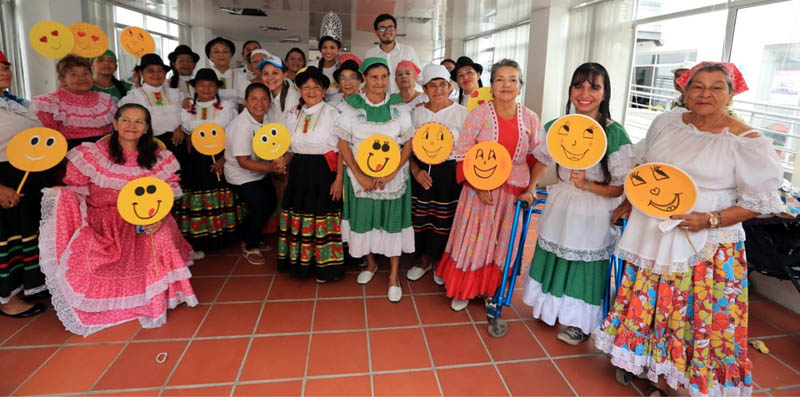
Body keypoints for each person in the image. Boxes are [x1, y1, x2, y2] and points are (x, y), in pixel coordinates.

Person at [594, 62, 784, 396]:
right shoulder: (668, 123)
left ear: (732, 92)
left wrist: (710, 220)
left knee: (691, 315)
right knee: (653, 305)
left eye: (716, 87)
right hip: (654, 233)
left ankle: (684, 380)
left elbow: (758, 202)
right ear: (685, 90)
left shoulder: (747, 142)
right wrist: (628, 201)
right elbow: (644, 165)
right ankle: (649, 367)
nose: (705, 94)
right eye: (697, 86)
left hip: (704, 243)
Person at [38, 104, 196, 336]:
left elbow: (167, 195)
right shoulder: (91, 155)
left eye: (139, 122)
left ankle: (161, 294)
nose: (131, 126)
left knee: (159, 234)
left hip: (146, 219)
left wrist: (159, 218)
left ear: (146, 129)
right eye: (126, 120)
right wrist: (61, 194)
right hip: (104, 221)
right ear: (115, 124)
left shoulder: (159, 157)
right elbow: (77, 191)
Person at [522, 63, 632, 345]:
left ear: (605, 93)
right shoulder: (558, 126)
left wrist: (588, 185)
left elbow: (620, 187)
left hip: (594, 211)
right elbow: (544, 160)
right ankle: (550, 308)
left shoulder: (615, 134)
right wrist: (532, 187)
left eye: (594, 87)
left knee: (585, 263)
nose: (585, 93)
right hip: (561, 203)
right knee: (554, 254)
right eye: (578, 86)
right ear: (570, 90)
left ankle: (580, 323)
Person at [436, 59, 543, 311]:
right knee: (475, 241)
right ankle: (465, 286)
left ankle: (489, 288)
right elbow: (462, 151)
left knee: (502, 244)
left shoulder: (530, 118)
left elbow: (540, 156)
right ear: (491, 85)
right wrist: (477, 184)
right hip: (479, 191)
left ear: (520, 85)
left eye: (512, 80)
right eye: (500, 79)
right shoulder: (480, 114)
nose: (506, 85)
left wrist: (531, 188)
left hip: (513, 194)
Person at [335, 57, 415, 302]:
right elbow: (343, 144)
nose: (380, 82)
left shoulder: (399, 105)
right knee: (365, 220)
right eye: (373, 77)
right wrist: (359, 174)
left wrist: (392, 172)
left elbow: (408, 143)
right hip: (361, 177)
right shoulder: (351, 105)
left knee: (391, 221)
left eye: (384, 76)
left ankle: (393, 276)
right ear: (364, 79)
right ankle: (370, 264)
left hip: (393, 177)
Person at [278, 66, 345, 282]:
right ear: (300, 90)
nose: (311, 90)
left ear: (324, 90)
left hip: (323, 172)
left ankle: (325, 267)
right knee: (300, 214)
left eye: (316, 86)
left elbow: (342, 150)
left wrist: (339, 180)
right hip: (298, 172)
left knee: (321, 217)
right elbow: (289, 149)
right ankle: (299, 263)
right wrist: (281, 163)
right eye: (306, 87)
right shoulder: (292, 114)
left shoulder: (333, 113)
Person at [405, 64, 466, 284]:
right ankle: (423, 260)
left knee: (445, 218)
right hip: (422, 171)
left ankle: (441, 261)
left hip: (450, 173)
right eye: (432, 85)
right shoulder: (417, 113)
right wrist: (415, 170)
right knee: (421, 217)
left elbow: (469, 149)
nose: (438, 90)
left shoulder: (462, 114)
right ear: (424, 88)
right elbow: (407, 147)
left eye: (443, 84)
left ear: (450, 87)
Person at [0, 50, 48, 318]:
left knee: (24, 235)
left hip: (25, 175)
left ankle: (28, 285)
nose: (5, 72)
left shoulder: (14, 102)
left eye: (6, 67)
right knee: (6, 239)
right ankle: (7, 299)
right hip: (4, 180)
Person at [176, 68, 240, 259]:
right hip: (195, 160)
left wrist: (223, 159)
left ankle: (222, 239)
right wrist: (179, 128)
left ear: (217, 87)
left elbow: (233, 135)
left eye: (210, 84)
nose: (206, 88)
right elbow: (185, 132)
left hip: (220, 157)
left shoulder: (227, 108)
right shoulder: (186, 108)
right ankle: (199, 240)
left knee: (220, 196)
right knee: (196, 199)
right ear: (194, 87)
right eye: (201, 84)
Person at [224, 83, 286, 265]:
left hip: (260, 173)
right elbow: (243, 161)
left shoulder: (266, 120)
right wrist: (272, 169)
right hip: (241, 175)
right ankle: (250, 245)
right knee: (261, 206)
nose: (259, 103)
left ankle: (252, 236)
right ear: (246, 101)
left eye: (264, 98)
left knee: (272, 203)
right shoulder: (241, 125)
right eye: (254, 99)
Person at [31, 54, 116, 149]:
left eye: (86, 73)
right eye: (74, 74)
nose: (82, 78)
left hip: (105, 150)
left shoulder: (105, 100)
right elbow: (46, 138)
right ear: (62, 79)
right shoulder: (50, 103)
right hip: (67, 153)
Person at [118, 54, 185, 155]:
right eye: (150, 71)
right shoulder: (133, 98)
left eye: (160, 70)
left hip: (177, 145)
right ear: (141, 73)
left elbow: (187, 115)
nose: (156, 74)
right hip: (147, 147)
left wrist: (181, 128)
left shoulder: (176, 94)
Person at [364, 13, 419, 94]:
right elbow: (366, 80)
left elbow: (419, 77)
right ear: (376, 32)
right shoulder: (370, 54)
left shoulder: (408, 51)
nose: (387, 31)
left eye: (390, 27)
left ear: (396, 30)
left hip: (406, 99)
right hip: (382, 100)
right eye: (382, 28)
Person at [206, 37, 249, 105]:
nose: (221, 55)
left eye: (225, 51)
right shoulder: (205, 77)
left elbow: (246, 101)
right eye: (216, 52)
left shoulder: (241, 76)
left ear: (231, 55)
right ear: (210, 56)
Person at [259, 55, 300, 123]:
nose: (270, 77)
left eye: (275, 73)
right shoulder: (266, 93)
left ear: (285, 75)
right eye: (266, 73)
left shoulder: (293, 99)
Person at [317, 35, 341, 100]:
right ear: (320, 50)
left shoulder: (342, 67)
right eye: (324, 47)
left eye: (332, 48)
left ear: (339, 50)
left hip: (341, 105)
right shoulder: (313, 66)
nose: (328, 51)